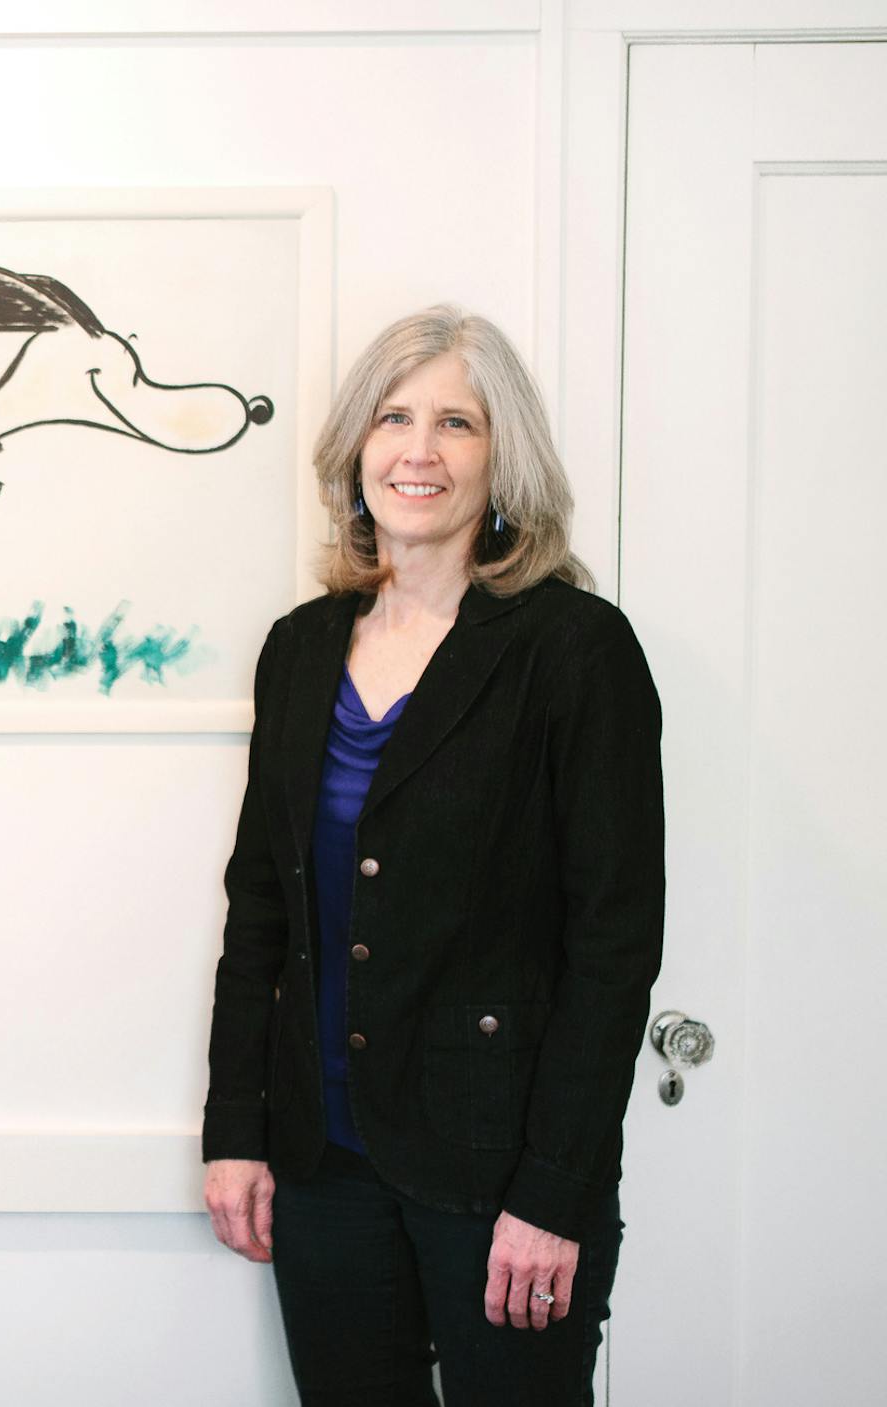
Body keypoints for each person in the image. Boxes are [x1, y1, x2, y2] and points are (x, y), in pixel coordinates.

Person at [199, 306, 664, 1404]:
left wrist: (553, 1194)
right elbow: (259, 913)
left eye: (457, 422)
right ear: (355, 449)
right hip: (323, 1164)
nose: (419, 450)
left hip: (500, 1173)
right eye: (393, 418)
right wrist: (235, 1131)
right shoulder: (299, 649)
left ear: (504, 459)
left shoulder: (573, 649)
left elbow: (613, 947)